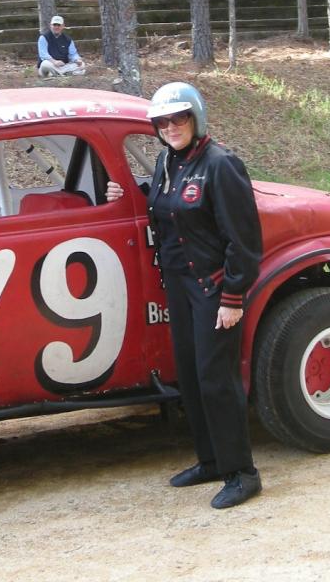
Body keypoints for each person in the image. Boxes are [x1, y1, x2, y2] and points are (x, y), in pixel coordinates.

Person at [106, 82, 263, 510]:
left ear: (196, 117)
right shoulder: (167, 161)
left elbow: (244, 240)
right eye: (163, 122)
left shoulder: (221, 165)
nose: (171, 127)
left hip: (213, 287)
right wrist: (127, 193)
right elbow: (168, 205)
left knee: (217, 379)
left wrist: (232, 297)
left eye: (179, 118)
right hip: (179, 285)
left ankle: (242, 473)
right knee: (191, 377)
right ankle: (211, 461)